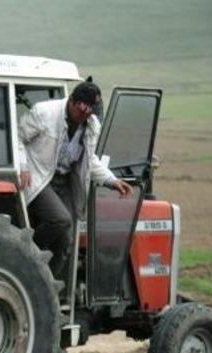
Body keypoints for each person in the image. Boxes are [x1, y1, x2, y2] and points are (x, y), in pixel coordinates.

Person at [18, 81, 132, 281]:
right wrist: (23, 166)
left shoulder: (91, 125)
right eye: (80, 110)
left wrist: (111, 180)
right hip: (39, 176)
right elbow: (17, 137)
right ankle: (23, 256)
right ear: (71, 100)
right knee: (61, 219)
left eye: (88, 113)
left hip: (64, 182)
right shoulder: (44, 113)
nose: (83, 116)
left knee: (66, 241)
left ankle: (44, 285)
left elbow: (89, 159)